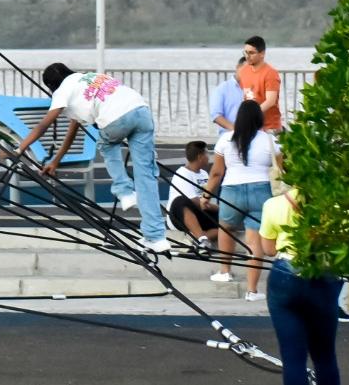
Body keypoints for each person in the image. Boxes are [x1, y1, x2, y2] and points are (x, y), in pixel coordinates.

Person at [15, 64, 170, 253]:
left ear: (51, 86)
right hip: (141, 111)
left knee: (106, 144)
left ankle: (125, 191)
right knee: (146, 175)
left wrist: (19, 149)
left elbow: (43, 126)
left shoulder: (61, 92)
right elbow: (73, 130)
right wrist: (56, 161)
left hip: (116, 118)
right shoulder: (88, 78)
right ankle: (156, 237)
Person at [260, 186, 344, 385]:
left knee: (293, 358)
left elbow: (268, 249)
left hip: (286, 274)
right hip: (324, 274)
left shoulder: (273, 204)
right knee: (325, 355)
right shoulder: (338, 206)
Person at [206, 100, 281, 299]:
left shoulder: (226, 139)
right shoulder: (270, 141)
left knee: (226, 228)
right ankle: (252, 290)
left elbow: (216, 173)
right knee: (254, 241)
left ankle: (225, 271)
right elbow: (282, 172)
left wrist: (206, 194)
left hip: (232, 190)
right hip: (261, 191)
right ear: (259, 118)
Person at [166, 140, 216, 252]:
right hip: (179, 217)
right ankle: (202, 238)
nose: (209, 157)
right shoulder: (182, 173)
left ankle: (196, 240)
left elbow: (204, 202)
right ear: (200, 156)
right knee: (181, 200)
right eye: (207, 154)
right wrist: (218, 208)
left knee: (227, 221)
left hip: (200, 212)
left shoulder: (204, 174)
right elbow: (196, 202)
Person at [237, 36, 282, 131]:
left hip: (269, 127)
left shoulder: (270, 73)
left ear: (262, 54)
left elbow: (270, 101)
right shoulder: (243, 71)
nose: (247, 56)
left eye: (251, 53)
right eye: (245, 52)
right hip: (250, 126)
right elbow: (243, 96)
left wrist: (251, 114)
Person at [210, 56, 246, 132]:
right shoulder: (222, 88)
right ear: (238, 67)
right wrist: (237, 130)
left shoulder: (256, 89)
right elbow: (216, 115)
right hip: (229, 136)